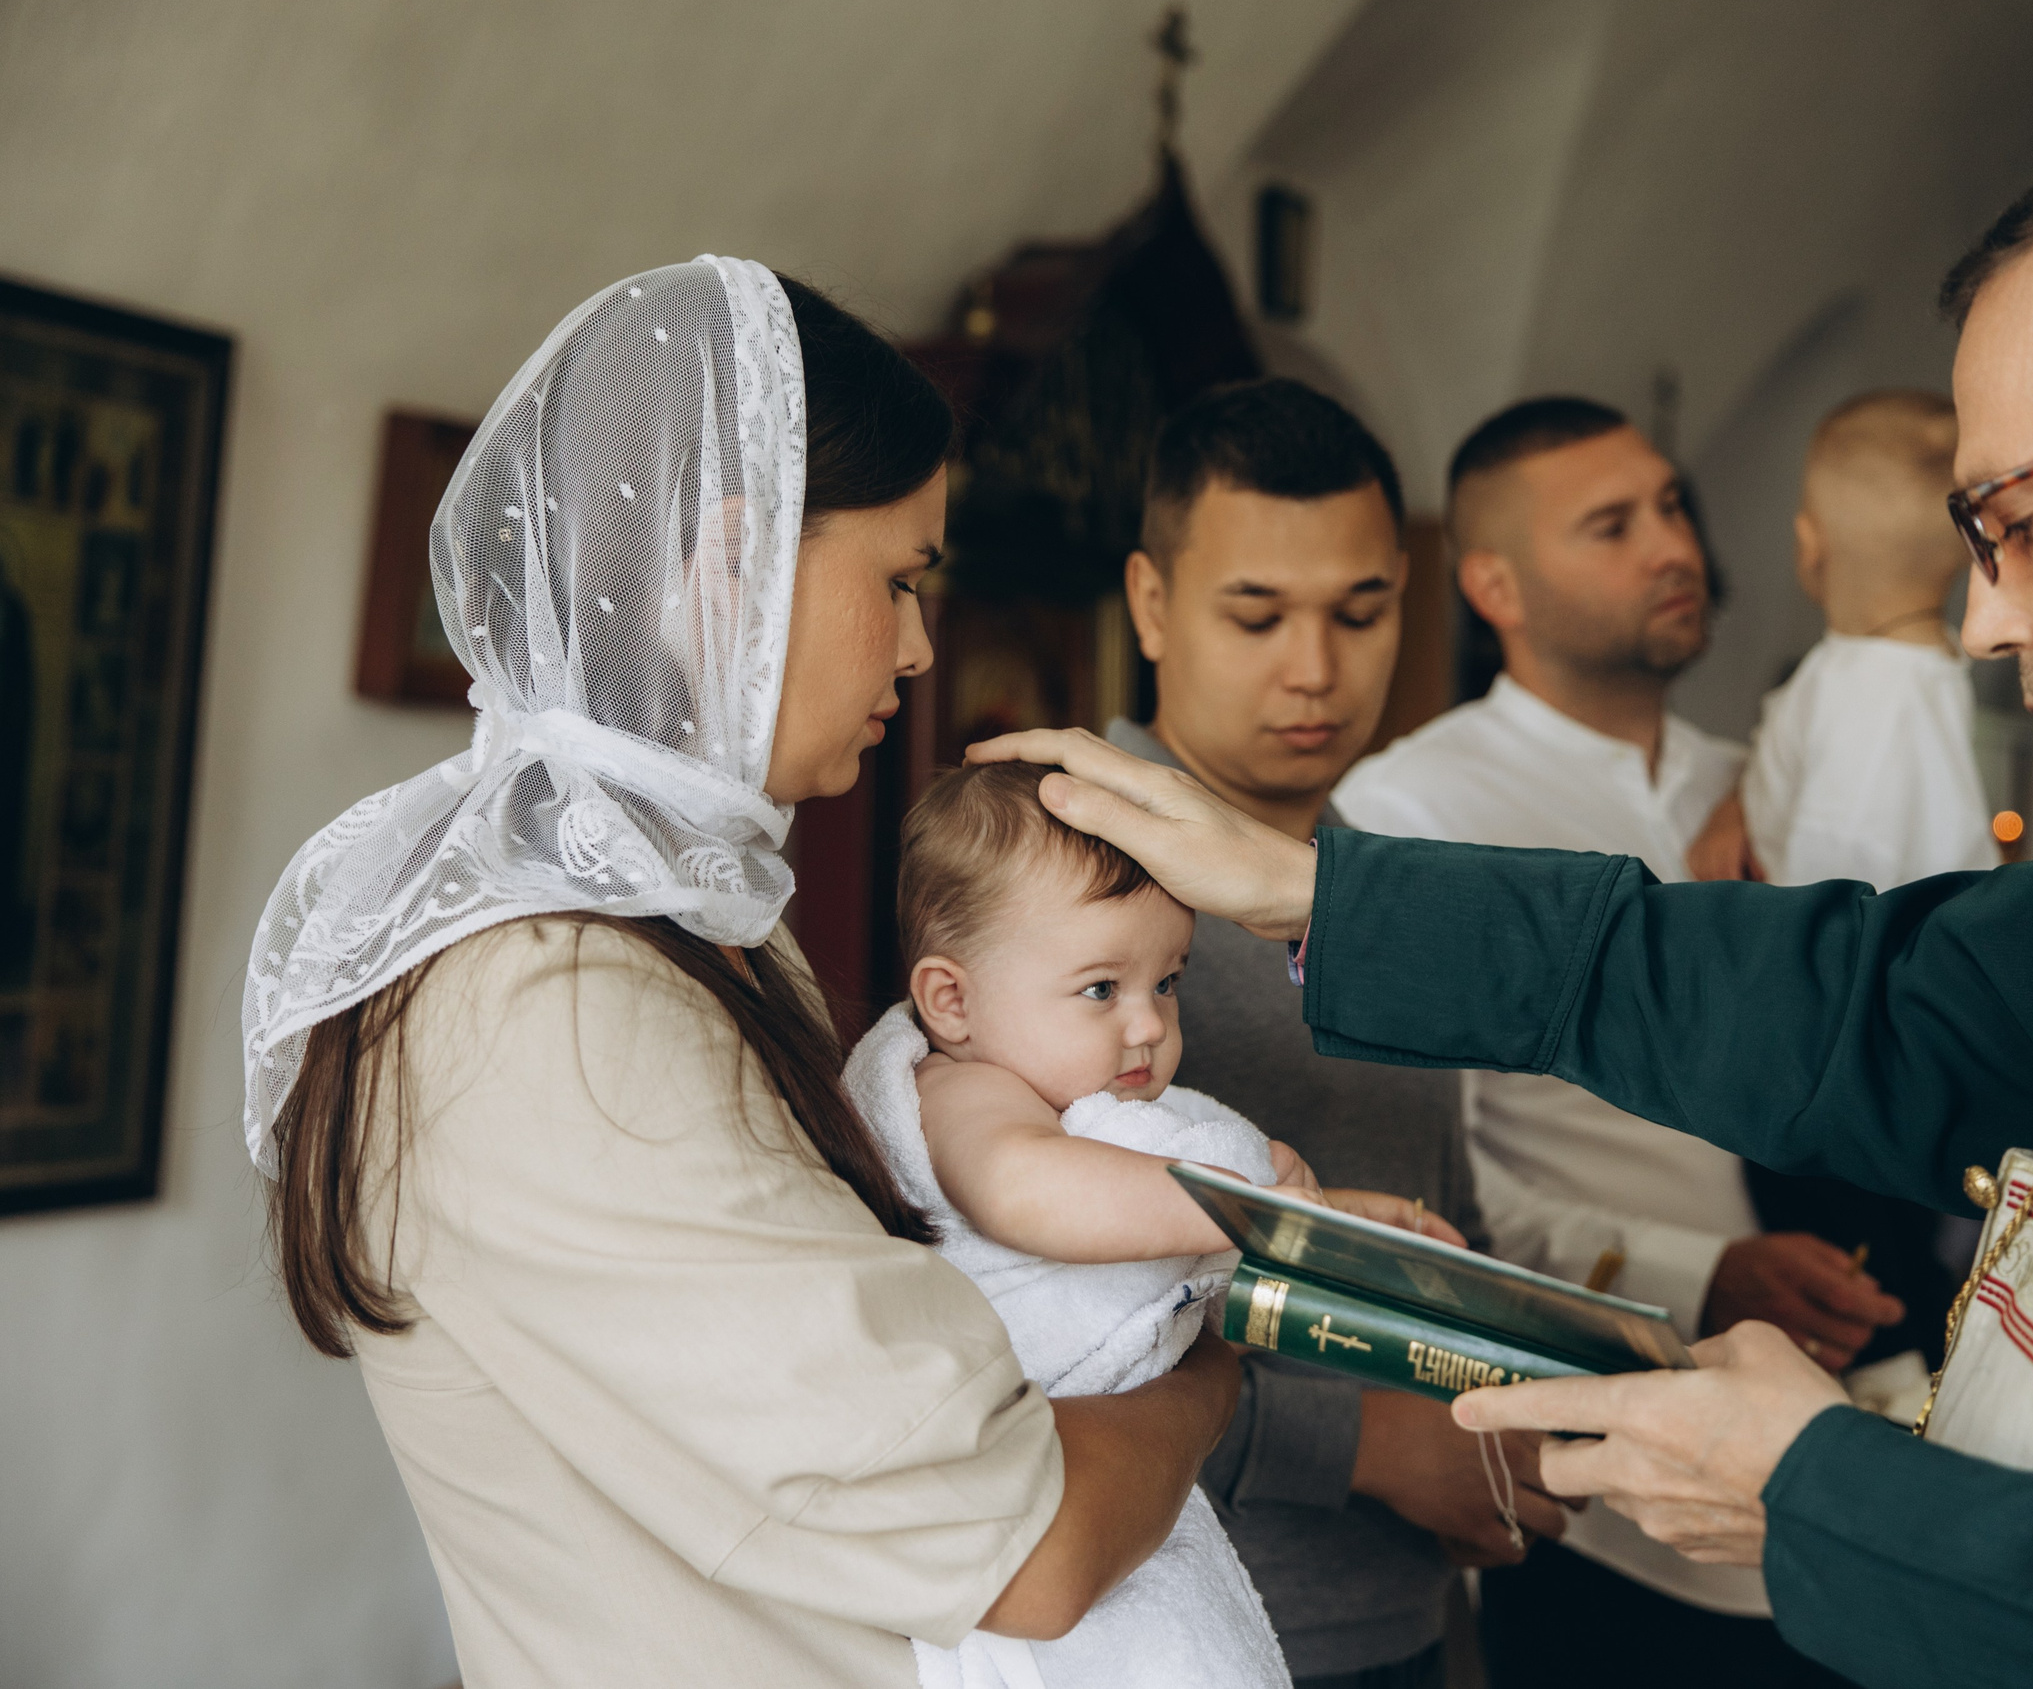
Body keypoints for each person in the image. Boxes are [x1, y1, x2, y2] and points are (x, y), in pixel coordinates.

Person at [979, 91, 2033, 1685]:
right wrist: (1325, 893)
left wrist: (1821, 1493)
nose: (1981, 625)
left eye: (2015, 521)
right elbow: (1879, 999)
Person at [245, 258, 1239, 1688]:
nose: (917, 644)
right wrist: (1210, 1375)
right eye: (898, 579)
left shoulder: (685, 924)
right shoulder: (546, 999)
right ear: (731, 561)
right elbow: (1031, 1545)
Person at [1334, 398, 1898, 1687]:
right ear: (1495, 584)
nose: (1672, 545)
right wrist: (1698, 1272)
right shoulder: (1411, 811)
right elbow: (1434, 1172)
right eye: (1613, 524)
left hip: (1837, 1430)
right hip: (1605, 1471)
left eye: (1672, 507)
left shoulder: (1755, 780)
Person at [1107, 377, 1564, 1689]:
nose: (1315, 669)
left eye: (1361, 611)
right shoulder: (1063, 866)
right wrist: (1359, 1441)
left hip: (1406, 1611)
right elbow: (1015, 1289)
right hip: (1182, 1621)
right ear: (1151, 602)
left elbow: (1434, 1216)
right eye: (1256, 614)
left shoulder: (1383, 885)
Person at [846, 761, 1468, 1689]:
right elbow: (1027, 1191)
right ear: (951, 1001)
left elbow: (1169, 1219)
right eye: (1102, 988)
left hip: (1124, 1485)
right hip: (1020, 1540)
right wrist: (1256, 1207)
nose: (1148, 1026)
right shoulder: (959, 1093)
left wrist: (1319, 1218)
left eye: (1168, 981)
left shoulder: (1082, 1105)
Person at [1694, 390, 1998, 891]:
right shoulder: (1891, 669)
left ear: (1810, 545)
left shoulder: (1871, 700)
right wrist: (1739, 807)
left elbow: (1829, 905)